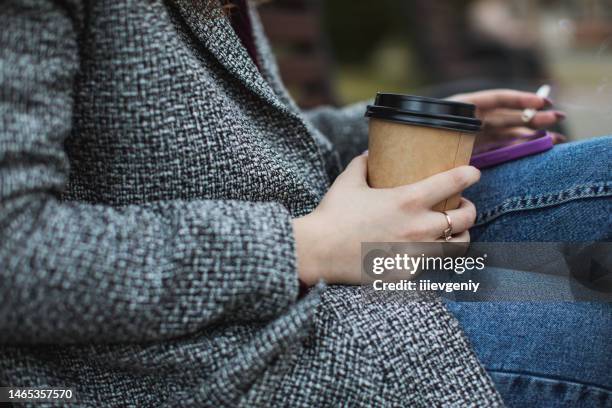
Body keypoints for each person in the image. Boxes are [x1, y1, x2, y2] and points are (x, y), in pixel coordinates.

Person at [0, 1, 609, 406]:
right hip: (210, 350)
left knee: (585, 265)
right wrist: (304, 246)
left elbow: (241, 142)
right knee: (591, 325)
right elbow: (15, 254)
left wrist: (396, 132)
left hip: (365, 263)